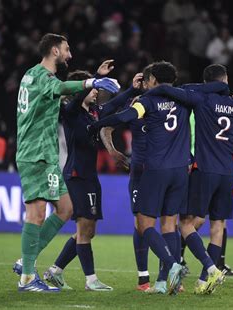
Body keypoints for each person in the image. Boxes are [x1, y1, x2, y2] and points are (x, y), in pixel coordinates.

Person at [89, 61, 225, 295]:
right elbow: (212, 89)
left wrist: (96, 125)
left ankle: (173, 265)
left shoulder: (146, 102)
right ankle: (164, 282)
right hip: (181, 171)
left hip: (155, 170)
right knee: (170, 223)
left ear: (152, 80)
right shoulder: (186, 98)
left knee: (143, 223)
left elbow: (125, 116)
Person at [145, 64, 233, 293]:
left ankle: (210, 267)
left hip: (204, 169)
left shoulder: (201, 99)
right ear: (226, 80)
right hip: (227, 171)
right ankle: (204, 281)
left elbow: (175, 90)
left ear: (206, 82)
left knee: (185, 223)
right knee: (218, 225)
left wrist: (149, 92)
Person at [13, 33, 120, 293]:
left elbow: (66, 94)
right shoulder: (42, 77)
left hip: (46, 155)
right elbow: (62, 88)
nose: (70, 55)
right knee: (36, 214)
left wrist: (93, 79)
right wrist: (92, 80)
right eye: (67, 49)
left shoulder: (31, 74)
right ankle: (27, 277)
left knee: (65, 208)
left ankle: (24, 262)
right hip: (35, 152)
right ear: (54, 51)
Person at [42, 66, 141, 292]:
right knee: (84, 228)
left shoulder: (92, 112)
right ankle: (91, 280)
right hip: (76, 175)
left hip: (90, 177)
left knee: (88, 230)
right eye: (92, 88)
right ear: (81, 90)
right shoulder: (71, 110)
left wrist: (131, 90)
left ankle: (56, 270)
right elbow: (77, 99)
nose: (96, 91)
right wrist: (96, 79)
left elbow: (114, 105)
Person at [99, 73, 151, 291]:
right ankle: (143, 278)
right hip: (140, 172)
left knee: (170, 221)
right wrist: (112, 151)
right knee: (140, 224)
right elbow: (107, 127)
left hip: (164, 171)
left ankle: (170, 272)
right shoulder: (136, 106)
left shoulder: (170, 105)